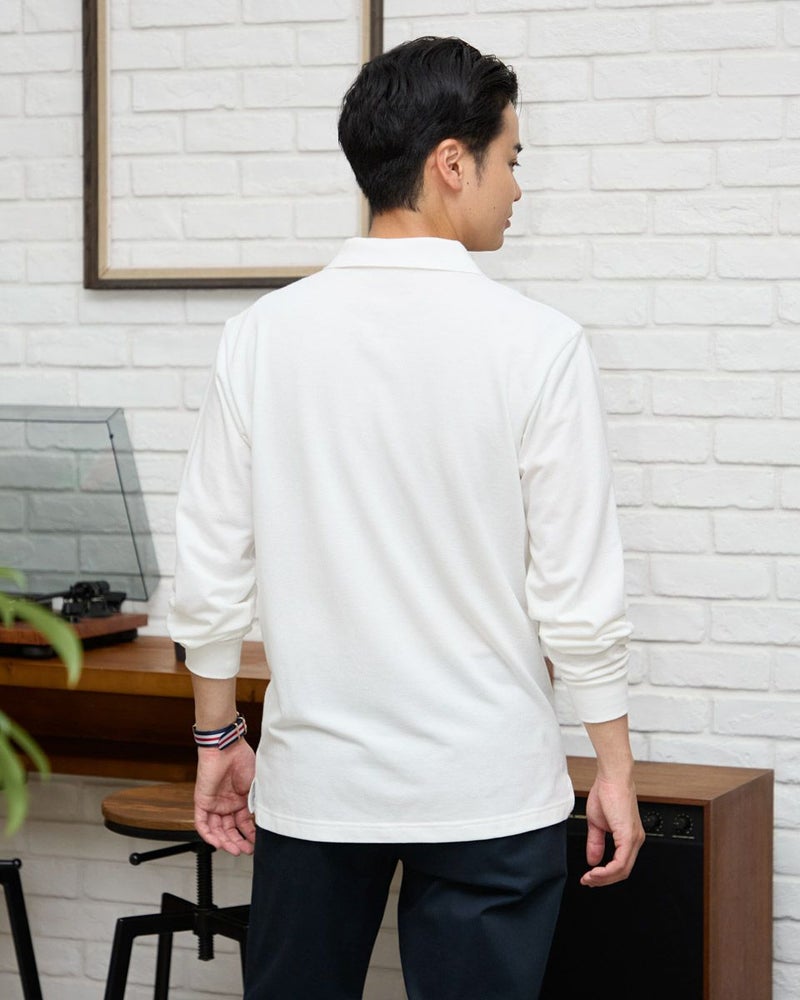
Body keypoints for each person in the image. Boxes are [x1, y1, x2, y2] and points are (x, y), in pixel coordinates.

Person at [167, 35, 645, 1000]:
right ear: (451, 163)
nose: (518, 188)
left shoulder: (259, 338)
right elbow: (576, 593)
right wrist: (614, 767)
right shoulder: (539, 345)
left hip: (318, 789)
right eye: (512, 158)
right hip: (489, 789)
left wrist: (217, 739)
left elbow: (211, 567)